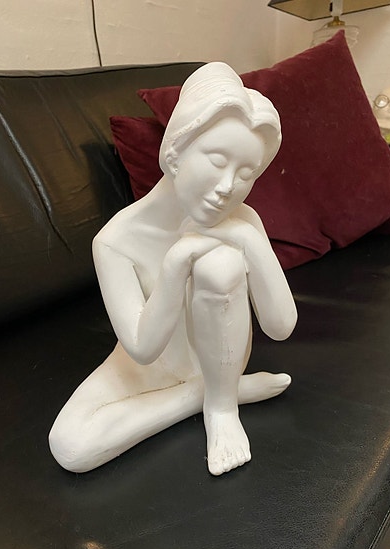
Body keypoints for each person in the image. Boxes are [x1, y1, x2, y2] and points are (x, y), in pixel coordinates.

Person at [49, 62, 297, 477]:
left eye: (246, 174)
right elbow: (142, 349)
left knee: (220, 262)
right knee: (70, 447)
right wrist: (176, 263)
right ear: (176, 152)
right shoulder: (116, 240)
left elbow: (281, 326)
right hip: (148, 366)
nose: (227, 187)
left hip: (217, 356)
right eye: (216, 160)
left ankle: (222, 408)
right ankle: (204, 396)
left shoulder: (241, 220)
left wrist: (250, 239)